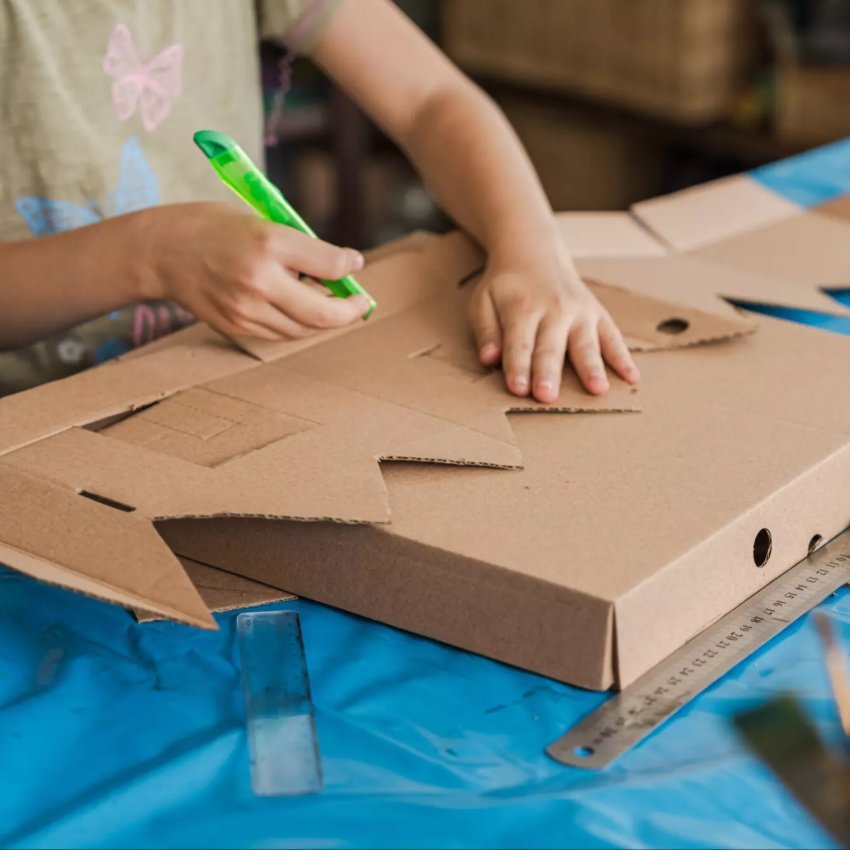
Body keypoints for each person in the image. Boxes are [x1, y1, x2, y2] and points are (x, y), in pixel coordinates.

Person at [0, 0, 640, 401]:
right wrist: (151, 255)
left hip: (220, 380)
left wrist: (531, 251)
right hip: (35, 423)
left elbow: (430, 101)